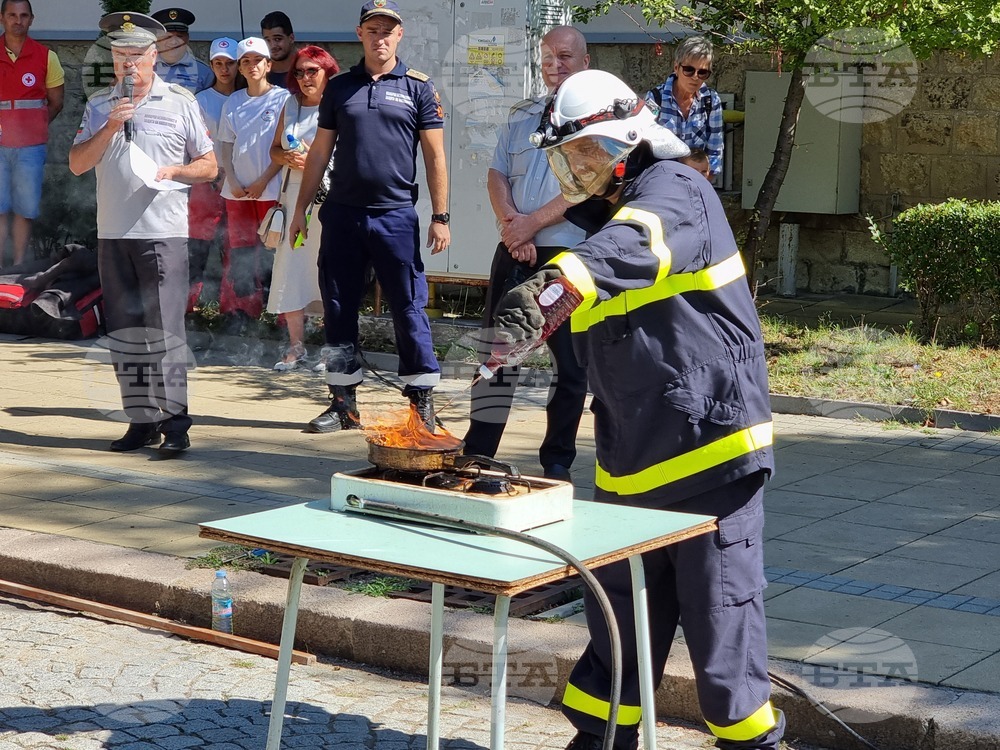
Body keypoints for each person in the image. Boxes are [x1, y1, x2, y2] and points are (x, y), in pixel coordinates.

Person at [493, 69, 784, 750]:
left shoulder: (677, 190)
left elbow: (637, 249)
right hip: (631, 460)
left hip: (709, 457)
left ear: (625, 141)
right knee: (619, 635)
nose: (575, 169)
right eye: (568, 157)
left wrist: (561, 283)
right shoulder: (607, 215)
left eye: (586, 154)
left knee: (722, 642)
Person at [288, 0, 450, 434]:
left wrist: (441, 215)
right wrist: (301, 210)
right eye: (372, 29)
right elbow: (320, 152)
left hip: (395, 216)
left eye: (388, 30)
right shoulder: (340, 88)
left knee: (408, 307)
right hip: (341, 215)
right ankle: (343, 404)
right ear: (360, 34)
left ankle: (421, 406)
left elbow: (435, 156)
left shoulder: (418, 87)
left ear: (400, 36)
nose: (380, 37)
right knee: (338, 307)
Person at [68, 11, 217, 456]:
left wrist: (177, 170)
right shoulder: (99, 106)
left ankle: (175, 423)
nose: (128, 64)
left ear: (154, 56)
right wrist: (112, 125)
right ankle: (141, 420)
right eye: (120, 56)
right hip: (113, 233)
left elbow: (209, 166)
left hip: (163, 234)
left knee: (163, 328)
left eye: (136, 55)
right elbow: (77, 163)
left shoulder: (180, 100)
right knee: (125, 330)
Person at [462, 25, 589, 482]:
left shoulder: (595, 118)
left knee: (570, 366)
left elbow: (588, 186)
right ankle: (477, 451)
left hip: (567, 258)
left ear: (585, 63)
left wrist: (532, 223)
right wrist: (513, 227)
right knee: (496, 356)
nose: (554, 64)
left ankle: (557, 461)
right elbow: (497, 173)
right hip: (515, 248)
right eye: (547, 57)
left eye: (565, 56)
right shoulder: (521, 115)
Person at [267, 45, 339, 371]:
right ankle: (296, 347)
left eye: (312, 70)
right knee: (290, 270)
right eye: (299, 71)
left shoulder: (338, 105)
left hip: (327, 198)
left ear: (327, 72)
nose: (305, 77)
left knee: (326, 271)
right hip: (293, 197)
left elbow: (348, 156)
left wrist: (315, 161)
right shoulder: (290, 104)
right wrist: (289, 157)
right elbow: (274, 151)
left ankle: (329, 349)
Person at [216, 36, 289, 326]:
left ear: (268, 64)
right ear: (240, 68)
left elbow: (284, 147)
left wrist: (263, 181)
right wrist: (231, 179)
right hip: (238, 192)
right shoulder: (233, 101)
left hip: (271, 189)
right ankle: (246, 312)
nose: (251, 65)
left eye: (257, 60)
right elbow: (226, 144)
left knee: (277, 252)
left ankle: (284, 316)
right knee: (243, 254)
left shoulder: (283, 99)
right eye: (245, 61)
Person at [0, 0, 64, 267]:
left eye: (23, 15)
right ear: (2, 18)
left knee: (25, 210)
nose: (18, 20)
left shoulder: (46, 56)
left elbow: (56, 102)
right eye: (12, 15)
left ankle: (17, 266)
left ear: (31, 19)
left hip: (31, 148)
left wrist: (34, 127)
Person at [188, 36, 240, 308]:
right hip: (205, 185)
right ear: (211, 65)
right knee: (197, 248)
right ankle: (186, 307)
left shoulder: (246, 98)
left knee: (236, 248)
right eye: (218, 63)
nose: (224, 69)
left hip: (239, 184)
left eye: (230, 63)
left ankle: (234, 310)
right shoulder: (200, 100)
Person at [645, 35, 724, 177]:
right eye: (689, 70)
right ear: (676, 67)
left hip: (697, 181)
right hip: (663, 179)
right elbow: (645, 145)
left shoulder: (711, 100)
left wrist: (704, 183)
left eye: (702, 72)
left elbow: (715, 151)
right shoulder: (655, 99)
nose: (695, 77)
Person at [151, 7, 213, 94]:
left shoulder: (203, 71)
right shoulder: (145, 66)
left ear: (187, 39)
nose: (173, 42)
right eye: (168, 37)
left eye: (180, 36)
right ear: (157, 39)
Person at [260, 10, 295, 87]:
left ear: (291, 38)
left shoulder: (304, 71)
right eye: (267, 40)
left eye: (277, 39)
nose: (272, 45)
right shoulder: (259, 74)